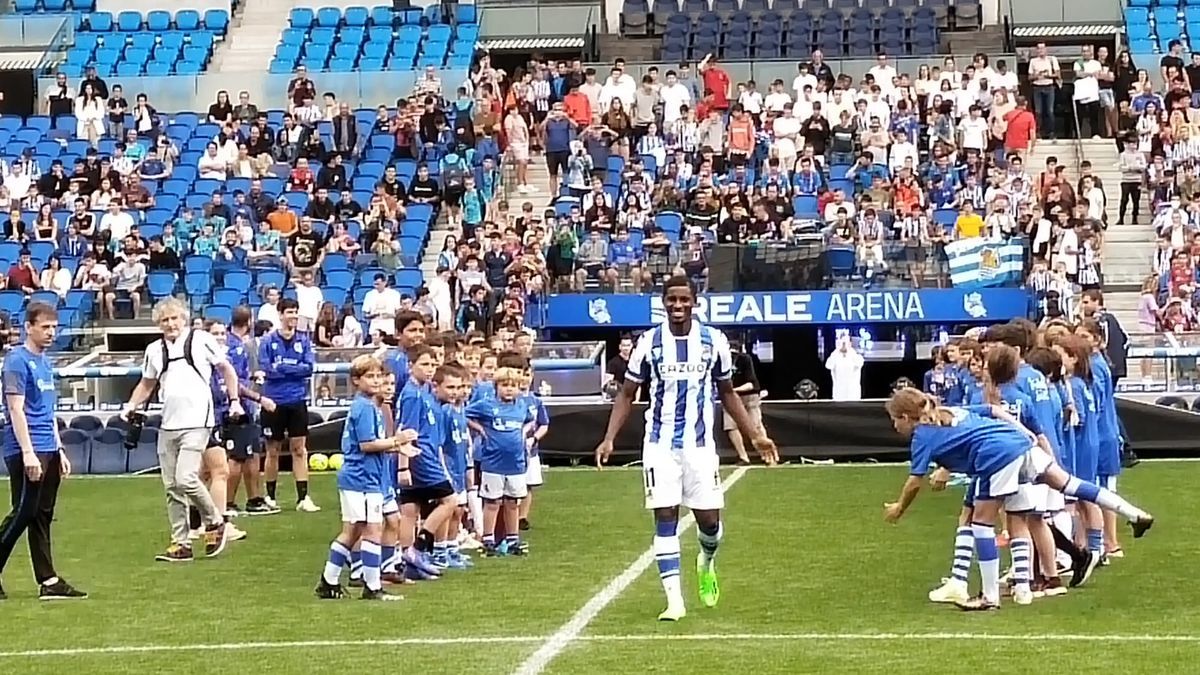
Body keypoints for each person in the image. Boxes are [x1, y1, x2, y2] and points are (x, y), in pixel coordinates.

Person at [593, 276, 779, 621]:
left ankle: (706, 560)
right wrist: (609, 437)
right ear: (663, 302)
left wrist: (755, 435)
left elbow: (727, 393)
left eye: (684, 300)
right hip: (659, 445)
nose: (677, 306)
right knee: (665, 515)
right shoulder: (648, 342)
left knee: (709, 522)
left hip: (699, 446)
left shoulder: (714, 341)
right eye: (671, 300)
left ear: (695, 302)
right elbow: (627, 394)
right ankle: (674, 601)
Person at [881, 387, 1154, 611]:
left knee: (982, 524)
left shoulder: (922, 436)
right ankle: (1136, 514)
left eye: (895, 420)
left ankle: (989, 597)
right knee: (1070, 484)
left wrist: (899, 508)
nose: (894, 427)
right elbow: (993, 411)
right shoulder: (952, 412)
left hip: (997, 457)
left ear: (906, 416)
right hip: (1019, 444)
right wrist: (1024, 432)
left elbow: (914, 481)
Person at [123, 298, 242, 562]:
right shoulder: (154, 350)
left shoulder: (201, 340)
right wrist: (131, 405)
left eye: (174, 318)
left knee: (186, 477)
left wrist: (234, 401)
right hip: (168, 422)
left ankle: (214, 520)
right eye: (165, 320)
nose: (170, 324)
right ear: (158, 324)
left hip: (198, 420)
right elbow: (147, 382)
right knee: (171, 486)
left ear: (184, 318)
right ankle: (181, 542)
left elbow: (227, 370)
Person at [0, 302, 86, 600]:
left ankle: (48, 580)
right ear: (29, 327)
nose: (51, 333)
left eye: (54, 327)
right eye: (45, 327)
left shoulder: (46, 363)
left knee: (42, 515)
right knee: (25, 512)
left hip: (47, 445)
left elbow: (48, 411)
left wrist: (59, 448)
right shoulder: (16, 361)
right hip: (26, 446)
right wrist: (27, 452)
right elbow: (15, 409)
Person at [314, 354, 416, 601]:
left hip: (363, 477)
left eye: (378, 375)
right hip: (362, 478)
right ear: (356, 381)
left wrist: (396, 448)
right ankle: (372, 587)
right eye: (369, 376)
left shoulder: (372, 407)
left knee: (354, 530)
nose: (376, 380)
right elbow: (366, 445)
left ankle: (329, 581)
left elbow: (374, 444)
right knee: (372, 529)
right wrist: (397, 440)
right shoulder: (364, 408)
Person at [396, 346, 455, 579]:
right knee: (449, 500)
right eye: (424, 364)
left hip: (426, 454)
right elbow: (406, 432)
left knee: (411, 508)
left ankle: (408, 565)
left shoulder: (425, 392)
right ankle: (419, 547)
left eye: (432, 365)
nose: (430, 369)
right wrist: (403, 465)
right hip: (420, 457)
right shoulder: (411, 394)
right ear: (411, 366)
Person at [466, 360, 535, 558]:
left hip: (516, 463)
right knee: (492, 502)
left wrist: (524, 431)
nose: (509, 389)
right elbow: (465, 414)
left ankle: (513, 539)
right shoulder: (487, 405)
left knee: (513, 501)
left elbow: (531, 421)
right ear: (496, 387)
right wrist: (479, 429)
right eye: (505, 385)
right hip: (493, 462)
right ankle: (488, 539)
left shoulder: (521, 406)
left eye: (513, 386)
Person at [259, 297, 320, 512]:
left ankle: (303, 498)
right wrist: (292, 369)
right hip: (273, 402)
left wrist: (284, 366)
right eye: (289, 312)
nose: (293, 316)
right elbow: (268, 370)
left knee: (299, 449)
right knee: (272, 450)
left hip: (297, 400)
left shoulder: (303, 341)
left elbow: (309, 368)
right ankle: (270, 496)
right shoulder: (267, 341)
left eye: (295, 312)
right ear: (280, 314)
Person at [224, 305, 278, 515]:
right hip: (240, 408)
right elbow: (233, 382)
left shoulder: (234, 344)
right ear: (249, 322)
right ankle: (229, 502)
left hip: (240, 406)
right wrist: (260, 398)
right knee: (238, 456)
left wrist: (252, 377)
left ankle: (253, 499)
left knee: (250, 454)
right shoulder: (236, 348)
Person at [725, 338, 765, 465]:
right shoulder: (721, 359)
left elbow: (751, 384)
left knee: (755, 425)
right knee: (731, 427)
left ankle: (765, 454)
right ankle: (743, 457)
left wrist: (732, 390)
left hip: (749, 396)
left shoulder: (745, 359)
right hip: (730, 396)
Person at [826, 334, 864, 401]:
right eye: (842, 342)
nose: (843, 345)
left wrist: (850, 351)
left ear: (850, 343)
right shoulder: (834, 356)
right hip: (839, 394)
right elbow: (828, 365)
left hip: (853, 395)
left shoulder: (856, 356)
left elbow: (859, 363)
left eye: (845, 342)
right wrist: (836, 351)